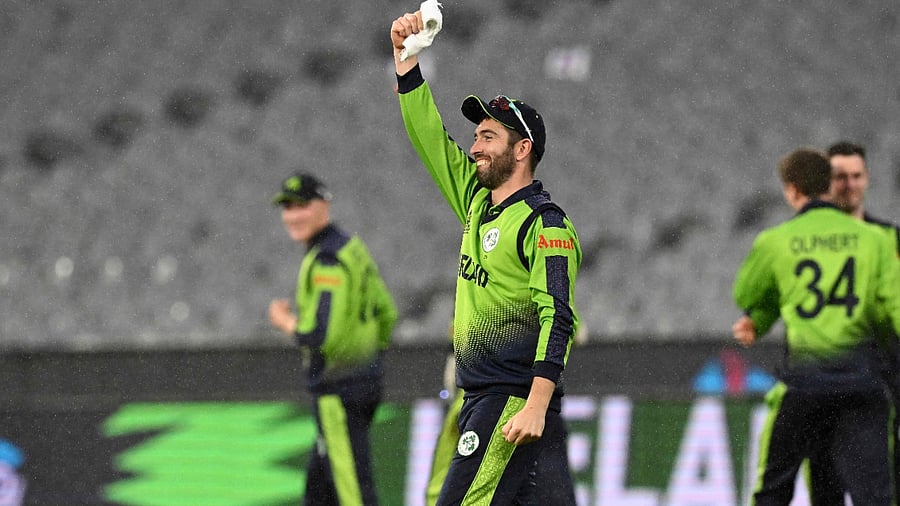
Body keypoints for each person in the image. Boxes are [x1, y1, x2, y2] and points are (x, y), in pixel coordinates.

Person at [391, 9, 582, 505]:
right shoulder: (478, 205)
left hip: (510, 400)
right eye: (475, 135)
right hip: (478, 398)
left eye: (487, 137)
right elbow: (430, 139)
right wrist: (406, 64)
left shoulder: (544, 224)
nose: (474, 146)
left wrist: (537, 404)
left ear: (522, 150)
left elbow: (557, 316)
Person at [731, 147, 900, 506]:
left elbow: (745, 291)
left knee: (774, 491)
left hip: (806, 386)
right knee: (876, 496)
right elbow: (893, 310)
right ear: (830, 185)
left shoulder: (776, 241)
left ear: (792, 190)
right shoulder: (877, 241)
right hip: (861, 384)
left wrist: (758, 318)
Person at [268, 172, 398, 506]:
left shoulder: (327, 258)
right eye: (287, 208)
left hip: (338, 391)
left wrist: (284, 321)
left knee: (352, 489)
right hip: (363, 384)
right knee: (319, 489)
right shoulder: (350, 246)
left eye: (301, 206)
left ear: (323, 204)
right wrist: (369, 360)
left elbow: (319, 333)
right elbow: (387, 313)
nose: (292, 216)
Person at [805, 141, 900, 505]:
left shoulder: (889, 240)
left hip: (877, 394)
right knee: (826, 495)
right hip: (824, 393)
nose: (848, 184)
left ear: (867, 180)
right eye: (839, 177)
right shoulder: (805, 244)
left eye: (856, 176)